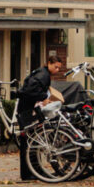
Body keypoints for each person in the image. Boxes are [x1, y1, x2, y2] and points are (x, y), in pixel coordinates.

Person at [15, 52, 65, 180]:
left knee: (30, 140)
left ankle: (30, 172)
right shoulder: (43, 75)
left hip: (26, 108)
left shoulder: (41, 73)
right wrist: (44, 97)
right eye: (56, 67)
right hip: (27, 110)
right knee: (31, 140)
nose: (57, 70)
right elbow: (30, 91)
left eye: (59, 68)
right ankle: (31, 172)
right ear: (49, 63)